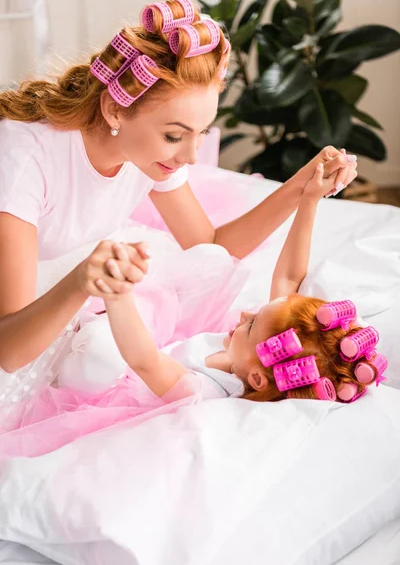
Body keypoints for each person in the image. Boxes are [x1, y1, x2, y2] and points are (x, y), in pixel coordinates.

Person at [0, 0, 358, 375]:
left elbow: (210, 247)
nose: (190, 157)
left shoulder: (145, 154)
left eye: (201, 133)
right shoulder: (26, 161)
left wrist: (304, 184)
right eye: (174, 136)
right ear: (115, 109)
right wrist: (79, 283)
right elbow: (8, 350)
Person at [0, 162, 385, 459]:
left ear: (255, 378)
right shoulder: (253, 356)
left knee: (98, 354)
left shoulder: (203, 391)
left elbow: (145, 360)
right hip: (157, 338)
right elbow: (287, 281)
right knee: (210, 263)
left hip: (121, 372)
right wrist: (309, 201)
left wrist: (118, 294)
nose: (242, 316)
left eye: (249, 328)